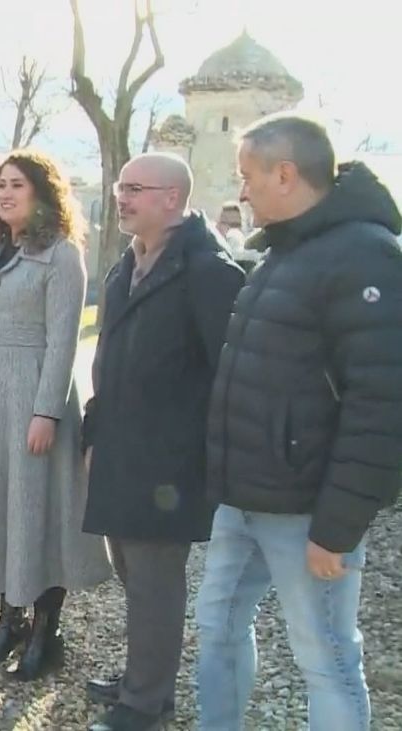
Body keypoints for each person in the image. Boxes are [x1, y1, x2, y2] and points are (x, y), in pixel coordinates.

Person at [196, 113, 402, 731]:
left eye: (248, 176)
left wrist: (336, 528)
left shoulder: (366, 256)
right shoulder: (286, 253)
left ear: (284, 173)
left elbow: (382, 403)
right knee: (217, 629)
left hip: (307, 511)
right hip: (245, 498)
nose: (242, 191)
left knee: (327, 657)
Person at [0, 149, 112, 676]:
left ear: (42, 194)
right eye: (1, 186)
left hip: (32, 394)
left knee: (39, 510)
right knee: (1, 507)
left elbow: (62, 342)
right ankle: (9, 620)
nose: (6, 193)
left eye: (18, 186)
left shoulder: (61, 255)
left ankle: (45, 631)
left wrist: (47, 413)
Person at [80, 154, 245, 731]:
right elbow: (107, 359)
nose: (121, 198)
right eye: (120, 187)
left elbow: (230, 374)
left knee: (155, 586)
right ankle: (140, 681)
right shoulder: (125, 265)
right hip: (121, 450)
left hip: (169, 463)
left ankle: (145, 707)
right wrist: (94, 432)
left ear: (172, 198)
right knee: (130, 571)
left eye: (135, 189)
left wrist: (202, 455)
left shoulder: (208, 270)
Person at [217, 201, 261, 274]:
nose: (230, 229)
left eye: (235, 225)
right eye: (225, 223)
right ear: (217, 225)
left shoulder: (253, 259)